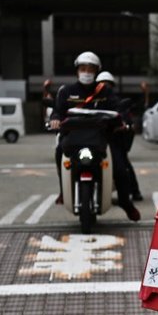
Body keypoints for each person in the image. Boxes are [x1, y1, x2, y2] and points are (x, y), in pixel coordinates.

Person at [48, 52, 140, 221]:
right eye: (83, 68)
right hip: (74, 138)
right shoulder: (67, 91)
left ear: (97, 71)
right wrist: (54, 119)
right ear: (77, 71)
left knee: (121, 168)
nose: (87, 72)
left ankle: (125, 202)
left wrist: (125, 121)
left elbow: (119, 108)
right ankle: (63, 190)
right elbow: (57, 111)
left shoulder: (104, 91)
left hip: (102, 139)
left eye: (91, 69)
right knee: (60, 151)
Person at [95, 71, 143, 203]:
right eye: (101, 84)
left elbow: (126, 116)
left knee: (123, 164)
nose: (104, 87)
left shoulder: (116, 102)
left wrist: (124, 124)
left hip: (114, 139)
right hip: (96, 139)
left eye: (107, 84)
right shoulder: (92, 101)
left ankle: (134, 192)